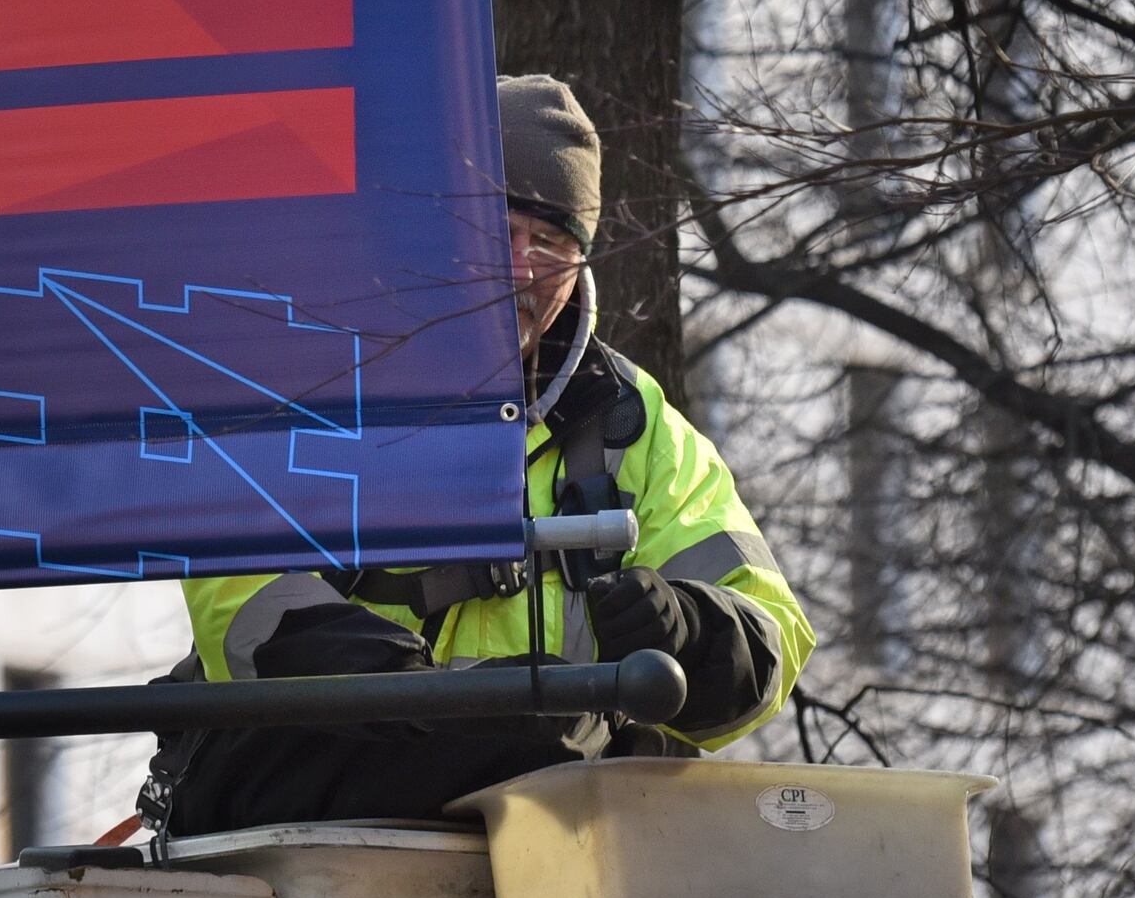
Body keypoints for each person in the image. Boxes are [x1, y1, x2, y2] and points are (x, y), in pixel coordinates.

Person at [144, 74, 816, 836]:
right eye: (498, 232)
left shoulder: (635, 424)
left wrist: (686, 630)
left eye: (553, 241)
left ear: (582, 264)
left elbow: (771, 632)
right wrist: (438, 704)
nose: (520, 268)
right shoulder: (304, 378)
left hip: (553, 848)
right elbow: (242, 594)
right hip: (321, 811)